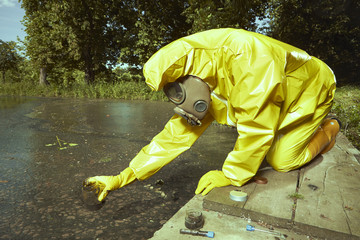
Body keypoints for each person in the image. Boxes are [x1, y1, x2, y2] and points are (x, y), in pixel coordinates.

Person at [84, 28, 340, 202]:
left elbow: (257, 127)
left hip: (311, 89)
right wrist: (122, 177)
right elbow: (175, 136)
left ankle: (329, 129)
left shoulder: (248, 57)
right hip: (280, 96)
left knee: (282, 161)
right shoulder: (206, 80)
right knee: (270, 141)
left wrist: (232, 175)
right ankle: (302, 132)